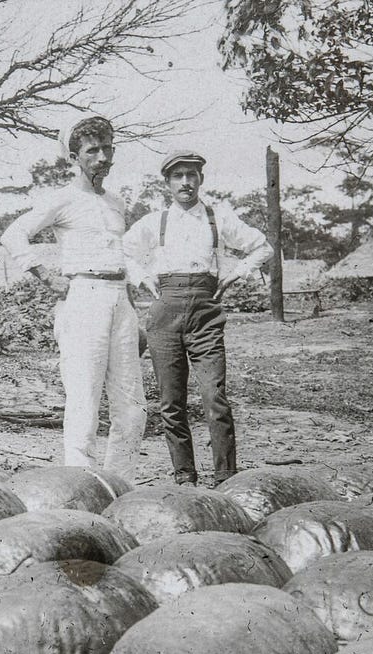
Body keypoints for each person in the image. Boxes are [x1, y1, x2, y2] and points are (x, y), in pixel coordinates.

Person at [0, 115, 146, 480]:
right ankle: (83, 486)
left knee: (132, 406)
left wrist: (131, 308)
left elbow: (121, 256)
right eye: (92, 151)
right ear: (74, 157)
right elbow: (14, 234)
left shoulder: (115, 202)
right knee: (84, 401)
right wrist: (46, 276)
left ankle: (119, 484)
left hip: (120, 300)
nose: (102, 158)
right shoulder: (62, 198)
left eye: (107, 149)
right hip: (84, 299)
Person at [123, 149, 272, 486]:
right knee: (170, 401)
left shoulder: (218, 218)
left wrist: (237, 274)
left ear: (201, 179)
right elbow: (123, 250)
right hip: (165, 312)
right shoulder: (154, 221)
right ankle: (185, 477)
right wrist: (143, 279)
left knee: (214, 397)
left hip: (206, 312)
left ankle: (225, 478)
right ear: (168, 183)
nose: (186, 182)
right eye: (178, 176)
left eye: (192, 175)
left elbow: (262, 247)